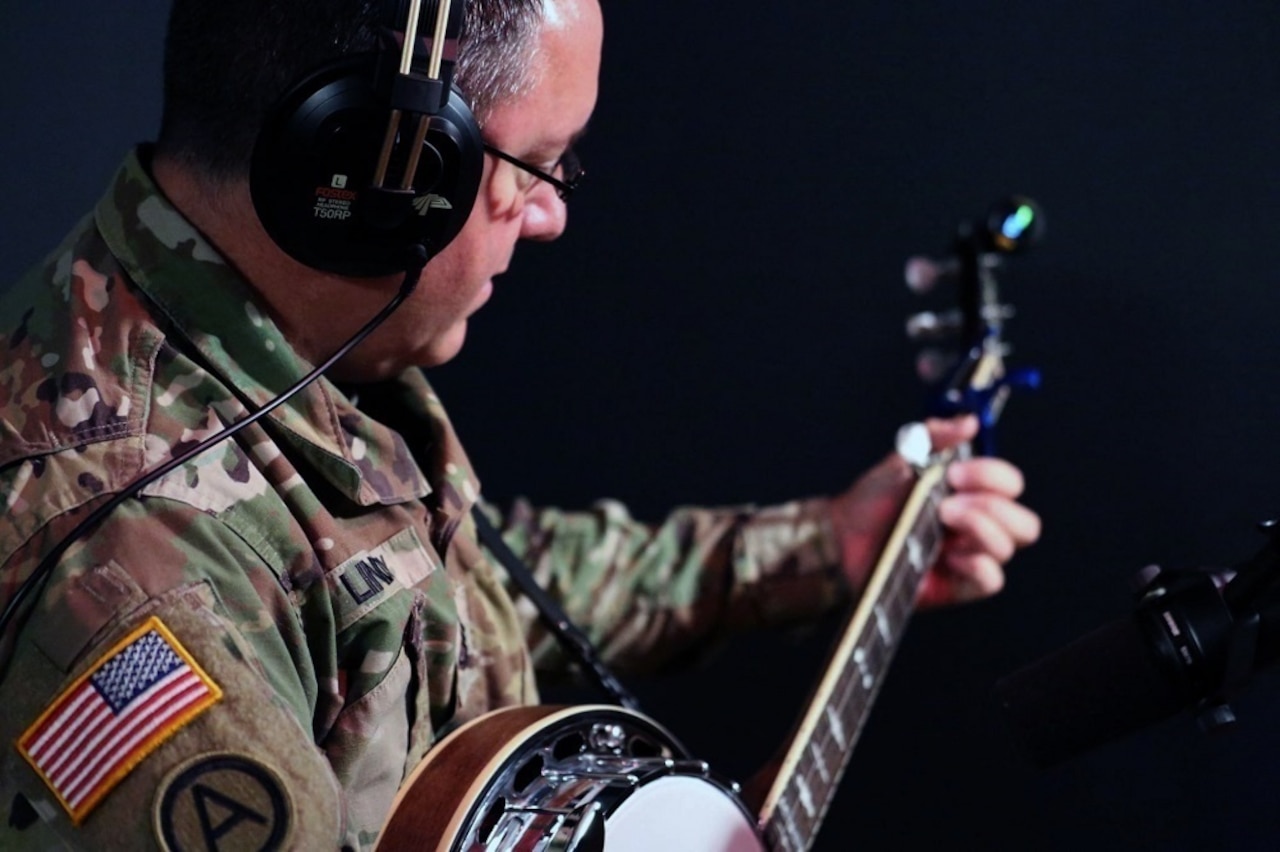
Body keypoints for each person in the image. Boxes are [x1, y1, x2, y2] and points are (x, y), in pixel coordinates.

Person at [0, 0, 1040, 848]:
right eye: (542, 166)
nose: (553, 216)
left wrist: (821, 545)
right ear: (378, 173)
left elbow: (454, 595)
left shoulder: (292, 337)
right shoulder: (133, 568)